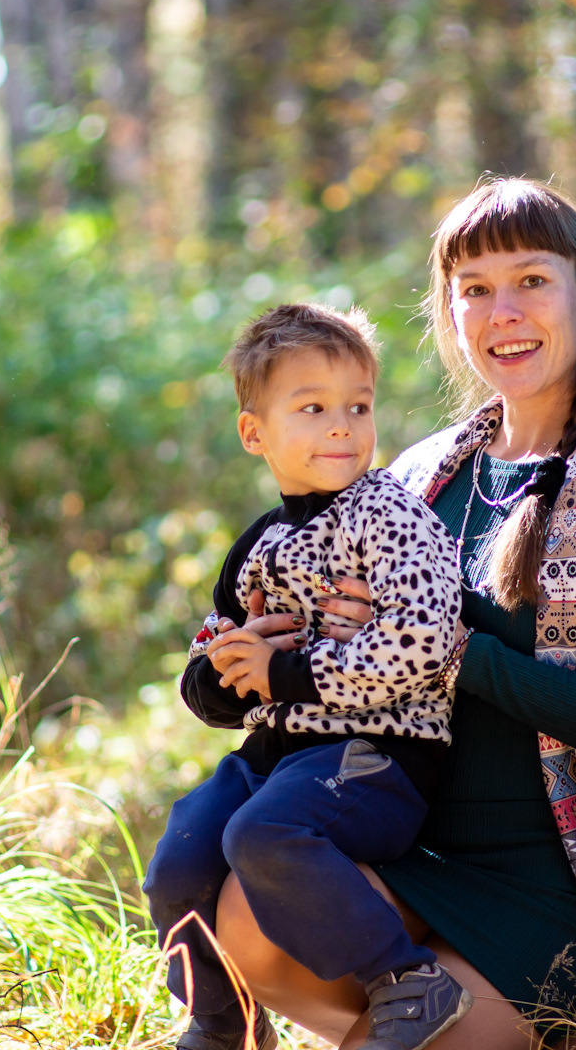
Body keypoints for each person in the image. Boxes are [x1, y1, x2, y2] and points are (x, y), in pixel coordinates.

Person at [211, 179, 576, 1050]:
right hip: (405, 850)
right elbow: (323, 653)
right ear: (450, 313)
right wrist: (256, 651)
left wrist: (460, 647)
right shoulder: (415, 478)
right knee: (246, 913)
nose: (505, 312)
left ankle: (542, 1022)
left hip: (538, 895)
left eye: (532, 280)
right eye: (475, 289)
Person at [144, 303, 475, 1050]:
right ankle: (225, 1020)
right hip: (276, 757)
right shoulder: (260, 542)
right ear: (253, 433)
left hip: (379, 759)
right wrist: (226, 673)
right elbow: (212, 653)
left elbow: (421, 643)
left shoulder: (390, 514)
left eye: (358, 406)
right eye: (314, 407)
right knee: (180, 858)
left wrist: (286, 671)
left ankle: (407, 980)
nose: (342, 426)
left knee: (266, 834)